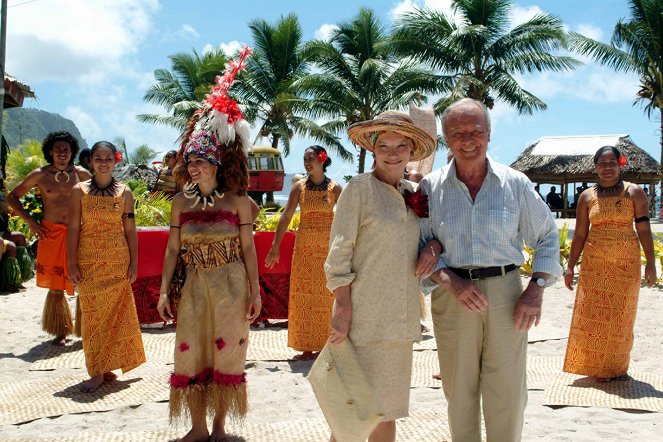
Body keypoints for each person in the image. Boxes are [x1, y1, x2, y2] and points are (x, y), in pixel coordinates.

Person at [419, 98, 562, 442]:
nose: (468, 139)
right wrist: (448, 279)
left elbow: (546, 236)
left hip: (508, 294)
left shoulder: (515, 183)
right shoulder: (429, 188)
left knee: (508, 392)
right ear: (446, 140)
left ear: (489, 133)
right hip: (451, 297)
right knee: (458, 390)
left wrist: (535, 289)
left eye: (476, 130)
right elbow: (419, 248)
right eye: (458, 133)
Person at [157, 47, 261, 442]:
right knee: (191, 351)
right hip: (196, 285)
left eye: (201, 163)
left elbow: (249, 249)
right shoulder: (181, 203)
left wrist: (254, 290)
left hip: (232, 285)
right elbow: (171, 251)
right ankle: (197, 428)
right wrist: (166, 289)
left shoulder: (236, 202)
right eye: (191, 164)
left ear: (216, 166)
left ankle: (218, 428)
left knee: (227, 352)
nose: (194, 168)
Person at [323, 110, 440, 442]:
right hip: (360, 319)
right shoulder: (358, 190)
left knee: (387, 414)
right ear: (373, 150)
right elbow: (338, 253)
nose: (392, 152)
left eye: (400, 145)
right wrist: (342, 309)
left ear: (411, 150)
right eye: (384, 145)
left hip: (400, 322)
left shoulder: (413, 195)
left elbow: (430, 236)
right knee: (351, 418)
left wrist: (433, 245)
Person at [563, 146, 656, 381]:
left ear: (620, 164)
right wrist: (571, 265)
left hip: (626, 264)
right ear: (595, 166)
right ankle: (595, 366)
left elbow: (644, 230)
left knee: (622, 316)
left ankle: (615, 367)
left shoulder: (633, 193)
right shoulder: (587, 197)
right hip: (595, 265)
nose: (607, 167)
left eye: (611, 163)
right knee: (594, 314)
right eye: (602, 163)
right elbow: (580, 235)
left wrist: (651, 263)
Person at [66, 141, 145, 393]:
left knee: (117, 315)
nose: (103, 162)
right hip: (88, 261)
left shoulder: (125, 193)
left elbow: (130, 230)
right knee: (92, 317)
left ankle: (107, 365)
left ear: (115, 160)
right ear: (90, 161)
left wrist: (134, 262)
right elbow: (73, 229)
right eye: (98, 158)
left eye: (108, 158)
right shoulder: (78, 191)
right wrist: (71, 262)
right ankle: (96, 370)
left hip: (117, 261)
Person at [8, 131, 92, 345]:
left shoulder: (82, 174)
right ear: (50, 152)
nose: (62, 152)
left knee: (83, 280)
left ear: (72, 151)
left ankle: (87, 329)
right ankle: (60, 330)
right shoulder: (39, 174)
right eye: (58, 149)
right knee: (56, 285)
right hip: (50, 233)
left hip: (79, 232)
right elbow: (12, 197)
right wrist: (31, 222)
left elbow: (102, 197)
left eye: (66, 149)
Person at [265, 145, 342, 360]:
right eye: (304, 158)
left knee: (327, 297)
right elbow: (286, 216)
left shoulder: (335, 188)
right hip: (304, 249)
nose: (307, 162)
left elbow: (346, 218)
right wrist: (275, 246)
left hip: (328, 250)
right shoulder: (299, 187)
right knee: (303, 295)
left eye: (311, 158)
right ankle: (306, 347)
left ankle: (326, 345)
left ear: (322, 159)